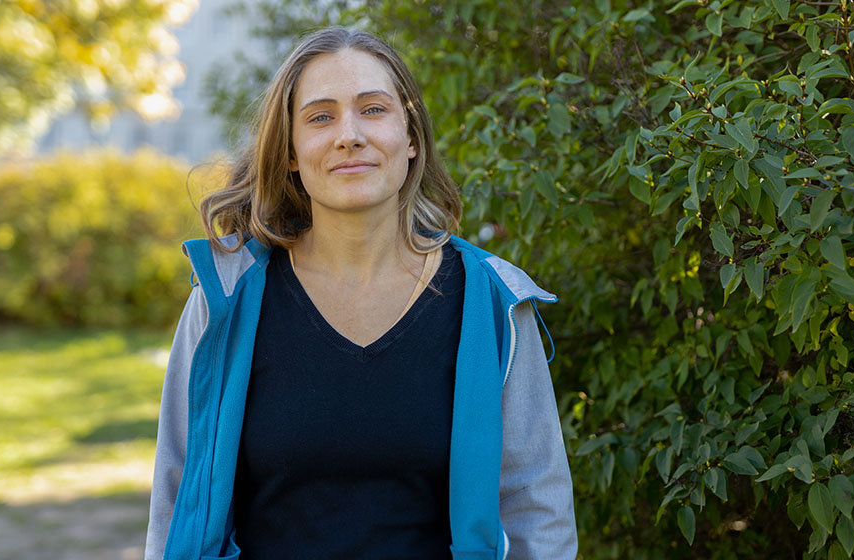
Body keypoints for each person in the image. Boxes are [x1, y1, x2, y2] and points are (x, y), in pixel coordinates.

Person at [144, 27, 577, 560]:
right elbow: (176, 494)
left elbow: (538, 510)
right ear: (292, 154)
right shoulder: (226, 299)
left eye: (373, 110)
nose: (348, 135)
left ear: (411, 136)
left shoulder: (490, 303)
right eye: (321, 117)